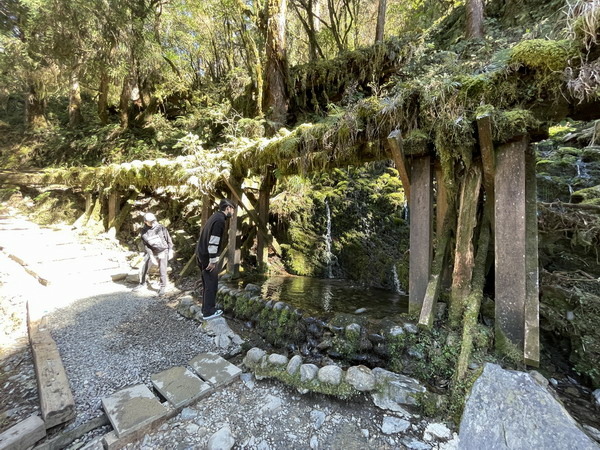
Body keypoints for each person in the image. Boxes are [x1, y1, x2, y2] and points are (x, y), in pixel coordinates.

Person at [195, 199, 235, 319]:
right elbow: (214, 241)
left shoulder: (214, 217)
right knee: (212, 284)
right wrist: (212, 260)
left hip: (200, 253)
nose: (233, 212)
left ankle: (205, 309)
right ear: (227, 208)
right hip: (207, 256)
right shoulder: (220, 220)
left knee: (207, 284)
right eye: (232, 209)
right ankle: (209, 312)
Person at [133, 212, 174, 296]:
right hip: (152, 252)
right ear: (145, 222)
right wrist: (151, 256)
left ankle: (162, 287)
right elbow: (147, 246)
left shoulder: (161, 227)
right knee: (144, 266)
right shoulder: (144, 232)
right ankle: (142, 283)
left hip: (163, 250)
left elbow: (168, 239)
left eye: (154, 221)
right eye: (150, 221)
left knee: (162, 269)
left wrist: (170, 250)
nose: (153, 223)